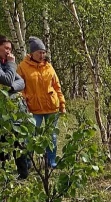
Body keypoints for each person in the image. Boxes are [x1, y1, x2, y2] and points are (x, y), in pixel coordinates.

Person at [17, 37, 65, 168]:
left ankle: (51, 161)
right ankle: (28, 162)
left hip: (51, 107)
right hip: (33, 109)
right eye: (39, 52)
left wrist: (62, 103)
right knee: (30, 136)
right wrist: (24, 99)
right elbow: (19, 86)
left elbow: (57, 86)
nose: (42, 55)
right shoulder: (23, 67)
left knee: (52, 136)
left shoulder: (49, 67)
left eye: (44, 52)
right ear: (32, 53)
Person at [0, 35, 29, 179]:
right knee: (3, 145)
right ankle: (4, 178)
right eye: (6, 48)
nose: (8, 51)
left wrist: (9, 88)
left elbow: (21, 82)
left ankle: (23, 174)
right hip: (2, 114)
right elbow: (6, 79)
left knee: (18, 142)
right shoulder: (7, 64)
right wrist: (12, 64)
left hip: (13, 113)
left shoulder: (5, 64)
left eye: (10, 49)